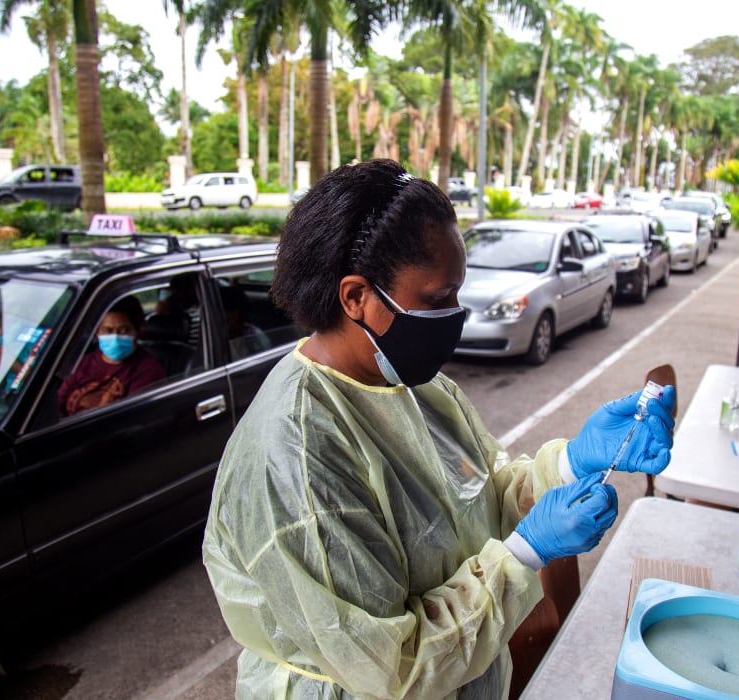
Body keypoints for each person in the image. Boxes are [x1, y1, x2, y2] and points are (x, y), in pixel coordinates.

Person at [201, 159, 675, 699]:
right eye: (436, 299)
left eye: (457, 292)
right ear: (356, 297)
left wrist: (572, 463)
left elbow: (477, 493)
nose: (456, 314)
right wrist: (525, 556)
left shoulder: (413, 384)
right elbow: (388, 664)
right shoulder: (296, 453)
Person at [57, 296, 165, 416]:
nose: (115, 338)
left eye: (124, 331)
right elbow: (58, 404)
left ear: (138, 331)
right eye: (107, 331)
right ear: (97, 332)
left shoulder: (148, 370)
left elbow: (129, 419)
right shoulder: (83, 362)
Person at [220, 284, 271, 359]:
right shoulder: (216, 338)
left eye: (228, 311)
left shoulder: (254, 336)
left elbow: (266, 359)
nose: (224, 316)